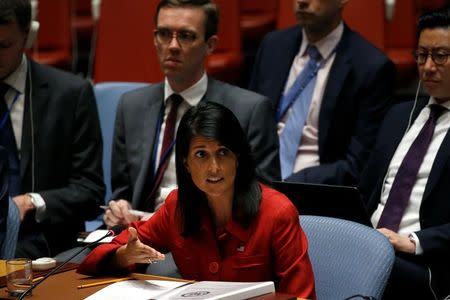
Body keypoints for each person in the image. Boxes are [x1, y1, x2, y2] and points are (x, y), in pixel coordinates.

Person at [78, 102, 316, 299]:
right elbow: (103, 254)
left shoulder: (277, 212)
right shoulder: (177, 207)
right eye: (201, 154)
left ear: (238, 158)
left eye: (223, 152)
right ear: (186, 163)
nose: (214, 168)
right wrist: (124, 256)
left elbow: (302, 295)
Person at [103, 0, 280, 228]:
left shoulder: (249, 111)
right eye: (165, 34)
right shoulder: (131, 105)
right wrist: (120, 209)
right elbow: (122, 191)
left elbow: (260, 201)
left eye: (186, 36)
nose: (173, 45)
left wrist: (179, 209)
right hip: (138, 236)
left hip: (208, 239)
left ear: (210, 45)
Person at [249, 0, 396, 185]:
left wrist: (289, 184)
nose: (302, 2)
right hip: (256, 182)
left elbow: (359, 164)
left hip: (315, 188)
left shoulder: (371, 68)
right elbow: (249, 127)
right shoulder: (273, 45)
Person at [0, 0, 104, 258]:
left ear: (27, 36)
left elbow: (90, 192)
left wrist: (33, 201)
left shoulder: (70, 95)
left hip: (43, 242)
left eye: (4, 46)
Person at [359, 6, 450, 299]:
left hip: (426, 261)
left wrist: (414, 241)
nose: (427, 67)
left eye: (440, 56)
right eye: (422, 55)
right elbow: (366, 191)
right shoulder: (399, 116)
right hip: (370, 244)